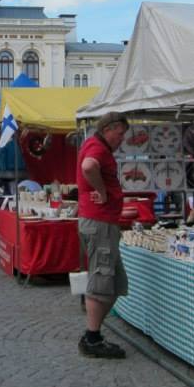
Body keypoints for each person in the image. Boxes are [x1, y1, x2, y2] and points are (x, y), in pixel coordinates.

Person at [76, 112, 130, 359]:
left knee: (114, 283)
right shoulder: (97, 147)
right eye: (120, 134)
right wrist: (103, 191)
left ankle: (93, 333)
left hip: (102, 221)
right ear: (110, 128)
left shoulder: (95, 145)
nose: (122, 140)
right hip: (100, 223)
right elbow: (89, 166)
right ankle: (92, 338)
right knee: (101, 280)